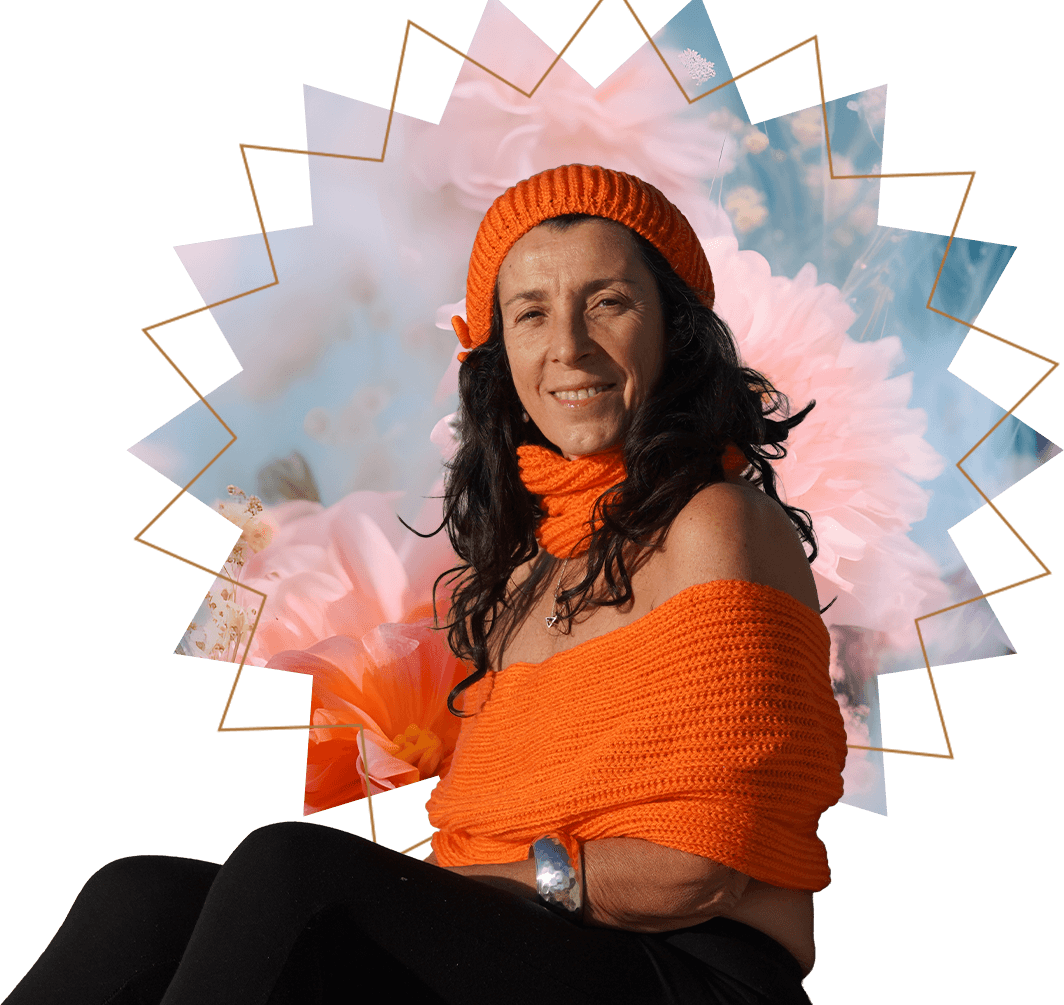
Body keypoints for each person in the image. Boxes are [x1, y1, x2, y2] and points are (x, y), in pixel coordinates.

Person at [3, 164, 847, 1005]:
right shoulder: (526, 573)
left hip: (693, 975)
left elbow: (701, 864)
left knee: (293, 870)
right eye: (531, 312)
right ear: (499, 353)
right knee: (139, 897)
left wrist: (458, 888)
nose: (568, 345)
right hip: (547, 948)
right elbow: (478, 856)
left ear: (676, 330)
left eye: (608, 302)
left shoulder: (713, 521)